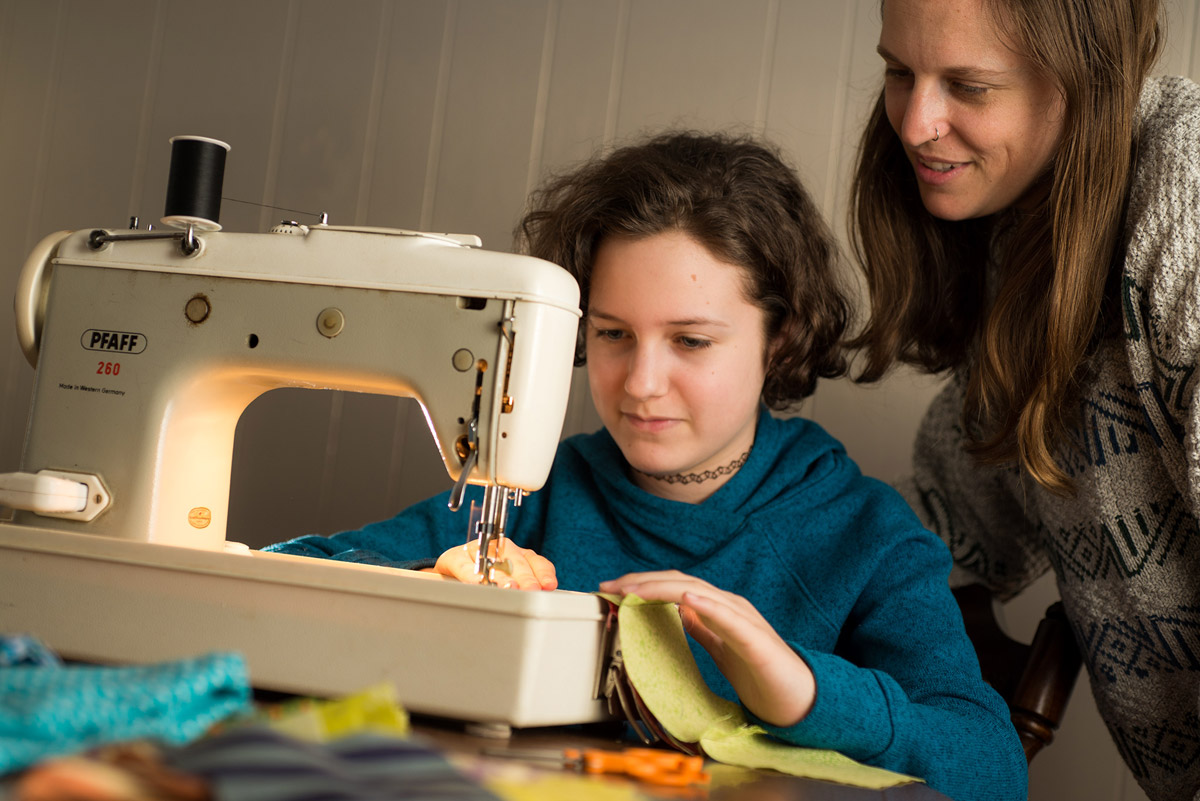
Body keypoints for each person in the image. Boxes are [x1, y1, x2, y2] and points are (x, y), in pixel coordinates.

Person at [265, 131, 1026, 801]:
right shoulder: (534, 493)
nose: (638, 383)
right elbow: (289, 575)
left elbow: (993, 767)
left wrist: (801, 689)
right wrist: (423, 587)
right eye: (613, 333)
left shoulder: (865, 537)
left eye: (690, 341)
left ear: (783, 338)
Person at [849, 0, 1199, 799]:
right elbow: (958, 521)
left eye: (968, 86)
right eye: (900, 72)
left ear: (1088, 84)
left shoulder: (1188, 205)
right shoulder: (1028, 232)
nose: (914, 123)